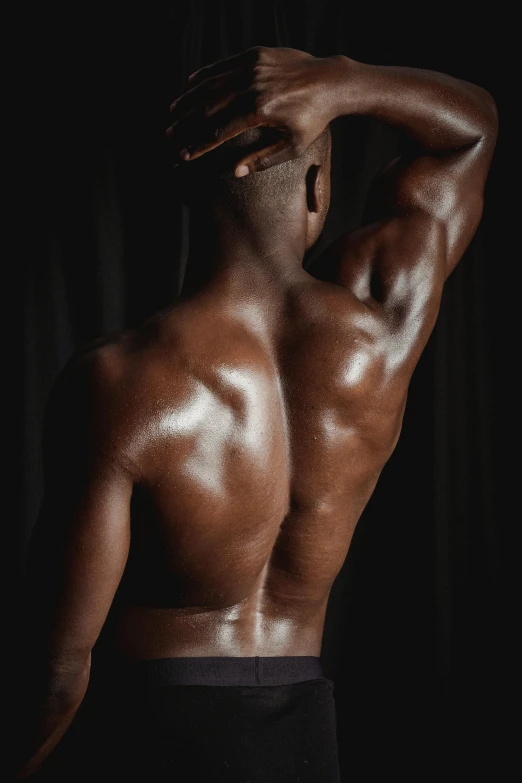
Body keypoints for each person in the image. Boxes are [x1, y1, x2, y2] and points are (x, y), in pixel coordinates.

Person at [15, 47, 497, 781]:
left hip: (152, 735)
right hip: (302, 734)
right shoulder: (377, 340)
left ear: (182, 184)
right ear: (315, 186)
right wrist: (344, 83)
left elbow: (55, 674)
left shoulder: (118, 381)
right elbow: (473, 131)